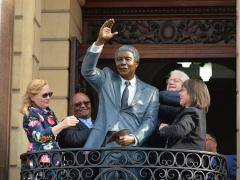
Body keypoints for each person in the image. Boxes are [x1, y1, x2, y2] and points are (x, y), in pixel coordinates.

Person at [81, 18, 159, 179]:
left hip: (133, 148)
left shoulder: (151, 91)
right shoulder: (106, 79)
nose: (123, 63)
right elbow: (87, 70)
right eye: (119, 59)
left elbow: (150, 121)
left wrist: (135, 137)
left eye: (127, 59)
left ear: (136, 63)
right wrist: (99, 42)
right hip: (108, 145)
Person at [158, 79, 210, 150]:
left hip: (185, 159)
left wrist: (164, 129)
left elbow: (180, 130)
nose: (179, 93)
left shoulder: (192, 112)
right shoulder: (196, 112)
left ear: (192, 94)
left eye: (182, 90)